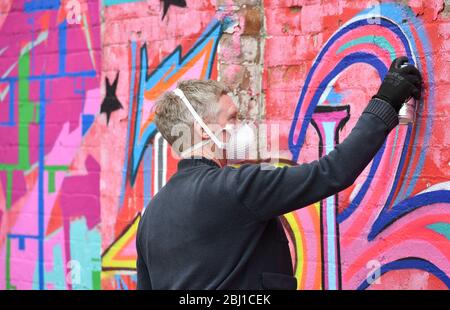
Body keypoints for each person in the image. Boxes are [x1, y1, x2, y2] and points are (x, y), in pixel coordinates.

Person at [136, 56, 423, 289]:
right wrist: (386, 102)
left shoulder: (151, 216)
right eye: (233, 118)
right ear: (201, 130)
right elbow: (332, 172)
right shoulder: (235, 188)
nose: (243, 126)